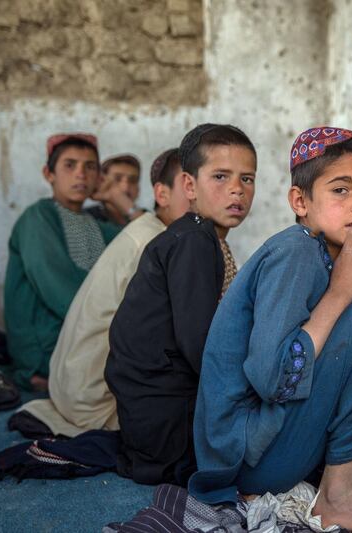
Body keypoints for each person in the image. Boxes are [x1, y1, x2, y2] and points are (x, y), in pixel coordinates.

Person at [190, 127, 352, 532]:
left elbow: (336, 361)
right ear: (300, 201)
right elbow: (272, 379)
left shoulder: (329, 257)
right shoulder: (294, 252)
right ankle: (341, 494)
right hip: (249, 453)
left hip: (285, 441)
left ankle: (341, 467)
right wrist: (341, 294)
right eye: (341, 190)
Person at [104, 124, 256, 486]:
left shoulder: (202, 236)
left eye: (247, 179)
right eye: (221, 176)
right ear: (189, 186)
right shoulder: (193, 243)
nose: (237, 189)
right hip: (163, 422)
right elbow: (201, 346)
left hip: (151, 415)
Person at [18, 149, 190, 437]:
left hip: (69, 383)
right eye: (190, 188)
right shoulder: (40, 217)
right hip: (88, 394)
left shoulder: (137, 229)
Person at [4, 133, 120, 391]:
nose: (81, 174)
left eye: (90, 167)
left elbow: (143, 244)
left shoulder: (96, 226)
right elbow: (59, 290)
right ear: (49, 174)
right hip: (45, 350)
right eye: (70, 165)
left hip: (86, 338)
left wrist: (117, 200)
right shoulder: (38, 218)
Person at [86, 153, 145, 228]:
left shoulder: (145, 216)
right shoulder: (88, 217)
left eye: (132, 180)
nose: (125, 187)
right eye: (117, 179)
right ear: (102, 182)